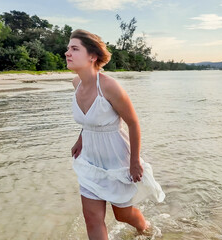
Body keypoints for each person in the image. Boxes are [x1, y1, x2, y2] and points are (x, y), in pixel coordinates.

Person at [66, 29, 165, 239]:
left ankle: (145, 229)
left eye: (74, 49)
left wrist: (135, 161)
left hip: (117, 159)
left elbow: (133, 123)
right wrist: (80, 139)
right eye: (68, 48)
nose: (67, 53)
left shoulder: (110, 87)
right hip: (90, 160)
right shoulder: (76, 84)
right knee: (92, 219)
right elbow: (90, 120)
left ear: (92, 56)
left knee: (122, 215)